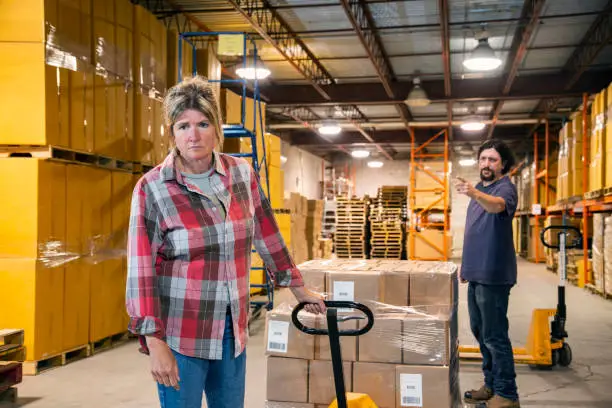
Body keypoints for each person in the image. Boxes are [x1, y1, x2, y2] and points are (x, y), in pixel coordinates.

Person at [125, 75, 326, 408]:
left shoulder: (241, 174)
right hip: (182, 333)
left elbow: (268, 234)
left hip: (232, 330)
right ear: (171, 133)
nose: (194, 134)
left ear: (216, 128)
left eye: (203, 123)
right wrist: (154, 341)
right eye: (183, 126)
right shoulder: (153, 188)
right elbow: (140, 270)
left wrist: (299, 290)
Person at [455, 139, 520, 408]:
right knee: (481, 333)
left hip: (494, 274)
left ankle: (507, 394)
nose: (486, 164)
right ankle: (491, 385)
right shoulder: (481, 189)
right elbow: (474, 230)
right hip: (476, 272)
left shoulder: (505, 188)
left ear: (503, 164)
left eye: (492, 160)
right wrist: (466, 265)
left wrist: (473, 193)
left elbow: (496, 206)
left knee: (495, 335)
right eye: (483, 159)